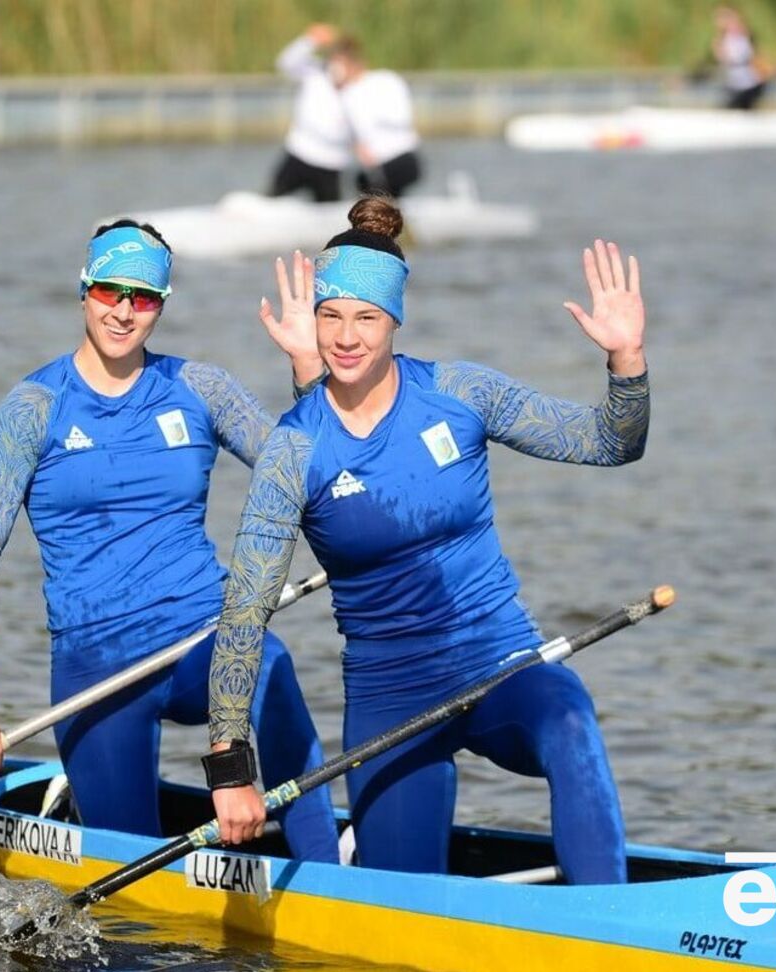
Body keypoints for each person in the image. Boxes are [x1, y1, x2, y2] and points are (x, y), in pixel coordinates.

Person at [202, 197, 650, 882]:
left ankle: (614, 928)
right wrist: (230, 767)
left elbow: (611, 442)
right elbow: (244, 611)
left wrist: (626, 358)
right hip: (391, 696)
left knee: (568, 715)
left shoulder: (460, 392)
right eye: (330, 316)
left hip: (500, 662)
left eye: (366, 318)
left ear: (395, 320)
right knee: (401, 895)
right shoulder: (294, 449)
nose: (345, 337)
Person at [0, 220, 338, 862]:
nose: (124, 312)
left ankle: (327, 877)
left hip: (200, 639)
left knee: (269, 664)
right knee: (128, 913)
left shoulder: (200, 389)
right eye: (110, 292)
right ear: (84, 290)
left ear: (161, 304)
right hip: (96, 668)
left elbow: (311, 479)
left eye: (145, 297)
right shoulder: (33, 409)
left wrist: (308, 370)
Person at [327, 36, 422, 198]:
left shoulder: (385, 81)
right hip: (375, 167)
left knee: (373, 195)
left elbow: (401, 118)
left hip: (400, 158)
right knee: (362, 185)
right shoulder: (344, 95)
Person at [269, 24, 351, 203]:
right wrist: (311, 40)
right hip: (300, 154)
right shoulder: (314, 73)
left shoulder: (357, 86)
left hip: (332, 162)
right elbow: (285, 62)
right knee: (271, 201)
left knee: (331, 216)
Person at [710, 6, 768, 110]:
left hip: (748, 82)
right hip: (733, 83)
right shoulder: (722, 40)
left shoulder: (744, 37)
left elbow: (755, 59)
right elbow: (723, 59)